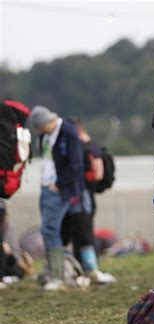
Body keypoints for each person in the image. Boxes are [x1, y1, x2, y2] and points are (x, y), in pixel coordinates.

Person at [28, 105, 93, 290]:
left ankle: (58, 277)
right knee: (48, 230)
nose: (41, 132)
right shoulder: (46, 134)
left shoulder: (67, 132)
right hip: (47, 186)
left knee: (50, 230)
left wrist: (61, 183)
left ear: (48, 121)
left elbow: (76, 164)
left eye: (41, 127)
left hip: (59, 189)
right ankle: (53, 273)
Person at [60, 118, 115, 284]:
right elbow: (98, 175)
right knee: (83, 234)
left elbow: (97, 173)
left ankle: (88, 271)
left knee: (80, 234)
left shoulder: (85, 148)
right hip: (85, 195)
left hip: (79, 196)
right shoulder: (94, 147)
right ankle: (87, 270)